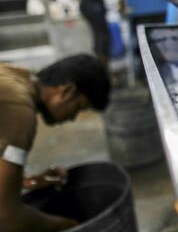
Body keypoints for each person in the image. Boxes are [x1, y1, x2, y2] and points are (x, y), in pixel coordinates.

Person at [0, 54, 110, 231]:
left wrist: (24, 181)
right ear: (67, 91)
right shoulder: (20, 112)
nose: (73, 118)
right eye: (78, 108)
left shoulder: (11, 75)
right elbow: (5, 217)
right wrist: (64, 224)